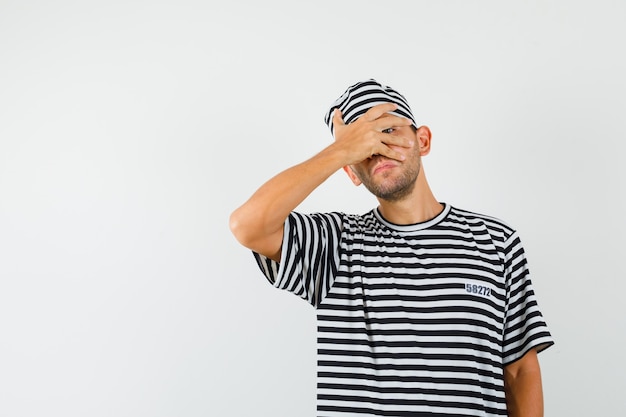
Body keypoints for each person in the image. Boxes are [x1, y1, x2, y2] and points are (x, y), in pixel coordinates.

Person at [229, 79, 554, 416]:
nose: (379, 149)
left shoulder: (496, 242)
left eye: (388, 130)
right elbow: (248, 225)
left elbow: (519, 370)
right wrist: (340, 151)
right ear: (352, 173)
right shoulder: (336, 244)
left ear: (422, 140)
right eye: (362, 145)